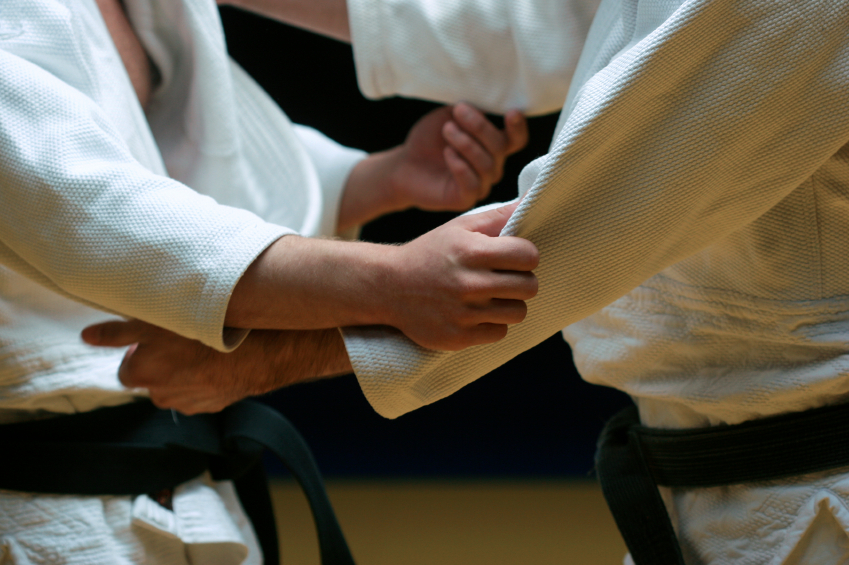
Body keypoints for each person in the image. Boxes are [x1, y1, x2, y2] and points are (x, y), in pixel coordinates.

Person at [92, 0, 849, 563]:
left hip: (809, 491)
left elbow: (606, 214)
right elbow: (540, 20)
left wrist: (278, 348)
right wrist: (374, 186)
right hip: (722, 491)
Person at [0, 0, 539, 562]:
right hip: (43, 496)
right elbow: (78, 204)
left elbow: (176, 158)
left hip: (188, 489)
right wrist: (391, 280)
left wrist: (375, 179)